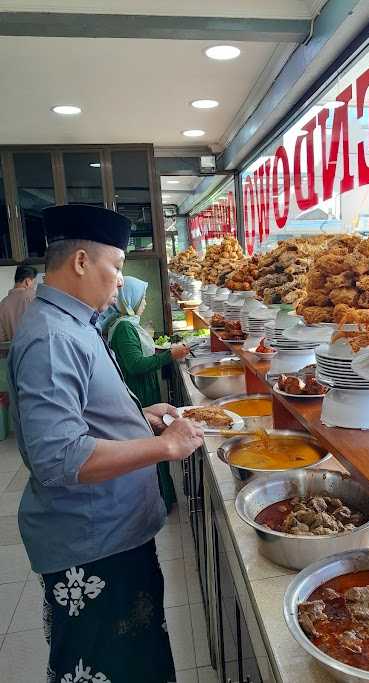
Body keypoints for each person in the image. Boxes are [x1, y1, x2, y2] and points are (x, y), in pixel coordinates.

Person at [8, 204, 204, 683]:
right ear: (80, 261)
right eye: (115, 266)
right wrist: (164, 448)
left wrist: (140, 418)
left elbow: (80, 415)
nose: (119, 281)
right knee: (107, 667)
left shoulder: (74, 322)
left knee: (136, 659)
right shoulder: (53, 337)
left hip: (112, 533)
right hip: (93, 543)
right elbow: (60, 457)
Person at [107, 275, 189, 511]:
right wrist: (168, 356)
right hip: (139, 390)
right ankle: (161, 498)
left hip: (146, 388)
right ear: (130, 300)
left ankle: (165, 495)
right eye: (142, 298)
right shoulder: (123, 327)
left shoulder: (129, 323)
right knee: (152, 443)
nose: (145, 302)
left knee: (154, 441)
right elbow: (135, 365)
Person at [0, 264, 38, 341]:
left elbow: (2, 338)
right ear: (27, 281)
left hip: (12, 352)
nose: (34, 286)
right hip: (34, 350)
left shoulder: (2, 304)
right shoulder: (34, 297)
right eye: (34, 283)